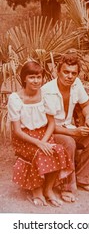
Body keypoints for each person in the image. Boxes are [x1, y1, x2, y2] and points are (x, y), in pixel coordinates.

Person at [7, 61, 74, 207]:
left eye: (39, 77)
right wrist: (39, 144)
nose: (36, 81)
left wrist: (44, 141)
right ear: (24, 78)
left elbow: (51, 124)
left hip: (44, 134)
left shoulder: (46, 96)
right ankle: (36, 190)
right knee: (39, 153)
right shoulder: (15, 98)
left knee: (58, 151)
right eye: (32, 77)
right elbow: (17, 131)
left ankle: (48, 189)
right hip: (25, 138)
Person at [41, 52, 89, 202]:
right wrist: (74, 132)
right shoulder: (47, 90)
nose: (69, 76)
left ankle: (82, 179)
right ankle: (66, 187)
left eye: (73, 73)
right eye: (66, 72)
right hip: (51, 131)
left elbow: (86, 104)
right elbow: (49, 125)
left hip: (69, 127)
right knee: (69, 142)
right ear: (58, 71)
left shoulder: (76, 84)